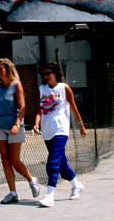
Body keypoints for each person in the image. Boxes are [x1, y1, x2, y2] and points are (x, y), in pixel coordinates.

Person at [33, 62, 87, 207]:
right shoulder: (41, 89)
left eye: (48, 73)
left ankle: (50, 195)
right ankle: (76, 184)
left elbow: (74, 108)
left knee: (53, 162)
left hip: (61, 129)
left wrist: (81, 125)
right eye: (43, 74)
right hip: (47, 130)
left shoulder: (64, 88)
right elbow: (39, 110)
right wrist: (36, 123)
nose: (45, 77)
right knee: (61, 162)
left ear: (55, 73)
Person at [0, 58, 41, 204]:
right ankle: (13, 193)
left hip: (15, 127)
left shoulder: (17, 85)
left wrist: (17, 124)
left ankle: (31, 180)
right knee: (5, 160)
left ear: (8, 69)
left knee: (15, 160)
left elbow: (23, 107)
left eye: (1, 68)